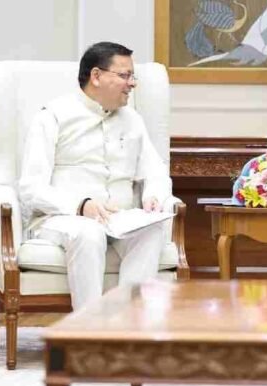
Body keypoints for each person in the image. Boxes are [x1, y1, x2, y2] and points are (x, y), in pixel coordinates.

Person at [19, 42, 171, 310]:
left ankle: (127, 323)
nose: (132, 83)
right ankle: (89, 327)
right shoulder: (53, 116)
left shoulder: (132, 120)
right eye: (124, 75)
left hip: (119, 219)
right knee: (88, 233)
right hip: (62, 218)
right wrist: (81, 206)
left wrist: (153, 197)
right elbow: (30, 189)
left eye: (132, 76)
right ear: (96, 76)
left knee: (150, 231)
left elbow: (155, 171)